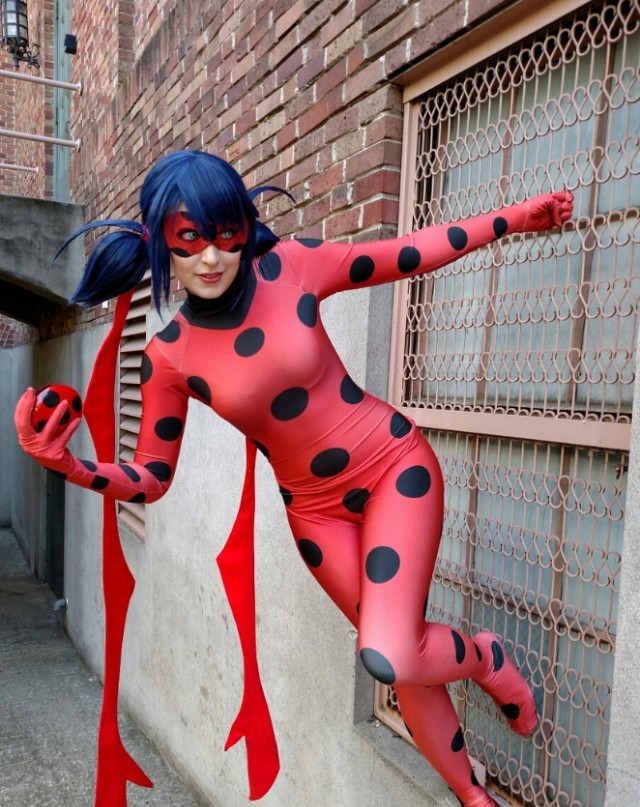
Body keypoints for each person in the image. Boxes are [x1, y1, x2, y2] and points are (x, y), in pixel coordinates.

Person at [14, 150, 573, 807]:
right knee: (404, 663)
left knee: (391, 652)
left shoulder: (291, 265)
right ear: (160, 241)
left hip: (393, 466)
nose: (212, 258)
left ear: (244, 227)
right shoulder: (167, 354)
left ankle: (483, 658)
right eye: (189, 239)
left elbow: (407, 254)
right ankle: (473, 796)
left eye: (226, 234)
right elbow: (152, 477)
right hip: (314, 513)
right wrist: (69, 466)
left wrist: (514, 218)